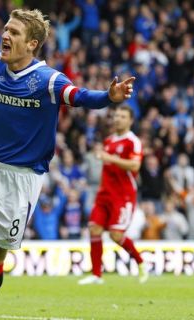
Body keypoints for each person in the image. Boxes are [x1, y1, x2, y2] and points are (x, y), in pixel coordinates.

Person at [0, 7, 135, 319]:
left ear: (32, 44)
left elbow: (83, 96)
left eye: (14, 32)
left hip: (22, 180)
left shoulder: (48, 81)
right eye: (6, 29)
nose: (5, 35)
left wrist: (109, 97)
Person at [78, 105, 148, 285]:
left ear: (130, 120)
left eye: (123, 116)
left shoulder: (133, 141)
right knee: (94, 229)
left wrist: (111, 159)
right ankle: (96, 275)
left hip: (123, 196)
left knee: (116, 235)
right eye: (116, 116)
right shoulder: (109, 141)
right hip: (104, 194)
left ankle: (141, 262)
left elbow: (135, 166)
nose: (118, 119)